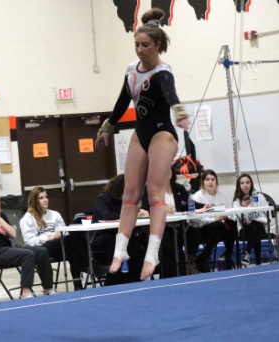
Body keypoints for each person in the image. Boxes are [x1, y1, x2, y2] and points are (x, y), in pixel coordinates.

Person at [95, 8, 190, 280]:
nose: (139, 50)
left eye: (145, 45)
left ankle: (152, 252)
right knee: (130, 193)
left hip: (163, 135)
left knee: (154, 192)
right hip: (141, 133)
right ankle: (120, 249)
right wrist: (108, 126)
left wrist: (181, 113)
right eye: (136, 45)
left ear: (158, 45)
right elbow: (122, 101)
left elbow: (171, 95)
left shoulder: (162, 71)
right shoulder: (130, 71)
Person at [0, 160, 55, 299]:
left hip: (8, 249)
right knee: (27, 255)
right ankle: (26, 292)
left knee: (42, 251)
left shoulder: (1, 215)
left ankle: (48, 288)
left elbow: (12, 234)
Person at [20, 187, 93, 291]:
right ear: (34, 201)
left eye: (46, 197)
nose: (45, 200)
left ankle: (78, 285)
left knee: (72, 246)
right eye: (41, 198)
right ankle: (90, 264)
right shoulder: (27, 219)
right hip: (42, 248)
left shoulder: (54, 214)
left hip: (60, 244)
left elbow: (65, 232)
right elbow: (30, 241)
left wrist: (59, 236)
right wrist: (48, 237)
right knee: (72, 241)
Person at [92, 174, 150, 284]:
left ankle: (137, 275)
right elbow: (107, 216)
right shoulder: (103, 198)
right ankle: (113, 278)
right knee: (116, 241)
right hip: (102, 234)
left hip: (121, 233)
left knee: (134, 241)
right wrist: (132, 214)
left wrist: (139, 212)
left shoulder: (126, 200)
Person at [189, 170, 238, 272]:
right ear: (203, 182)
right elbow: (195, 220)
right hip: (204, 228)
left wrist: (225, 216)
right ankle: (205, 256)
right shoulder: (197, 197)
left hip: (220, 226)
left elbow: (228, 212)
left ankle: (227, 255)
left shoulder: (221, 196)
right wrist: (213, 219)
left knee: (233, 224)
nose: (210, 182)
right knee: (218, 226)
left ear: (216, 182)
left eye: (213, 179)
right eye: (207, 180)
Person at [233, 173, 273, 266]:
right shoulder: (237, 202)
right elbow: (237, 219)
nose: (245, 185)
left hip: (261, 226)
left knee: (254, 225)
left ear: (251, 184)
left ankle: (247, 254)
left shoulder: (260, 197)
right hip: (245, 229)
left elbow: (268, 216)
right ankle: (258, 262)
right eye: (242, 183)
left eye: (247, 182)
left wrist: (254, 220)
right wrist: (244, 208)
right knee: (254, 230)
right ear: (239, 186)